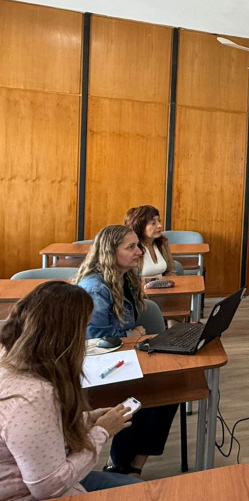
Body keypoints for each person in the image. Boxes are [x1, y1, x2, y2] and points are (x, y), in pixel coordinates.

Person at [0, 281, 139, 499]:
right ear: (66, 336)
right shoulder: (33, 396)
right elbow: (48, 488)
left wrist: (86, 419)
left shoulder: (9, 358)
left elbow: (36, 432)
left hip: (39, 475)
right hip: (33, 492)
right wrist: (101, 432)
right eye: (83, 328)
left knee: (134, 486)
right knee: (141, 492)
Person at [73, 225, 178, 476]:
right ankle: (120, 464)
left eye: (138, 246)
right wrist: (130, 335)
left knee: (171, 390)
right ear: (110, 252)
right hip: (93, 367)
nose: (139, 251)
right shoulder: (96, 288)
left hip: (123, 358)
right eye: (130, 247)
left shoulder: (124, 277)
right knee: (147, 396)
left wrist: (132, 335)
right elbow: (95, 341)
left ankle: (132, 467)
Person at [123, 205, 175, 278]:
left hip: (164, 287)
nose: (159, 225)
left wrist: (169, 285)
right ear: (140, 226)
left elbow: (170, 271)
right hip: (140, 288)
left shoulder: (162, 242)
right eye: (153, 223)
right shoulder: (131, 247)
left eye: (159, 221)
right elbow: (129, 279)